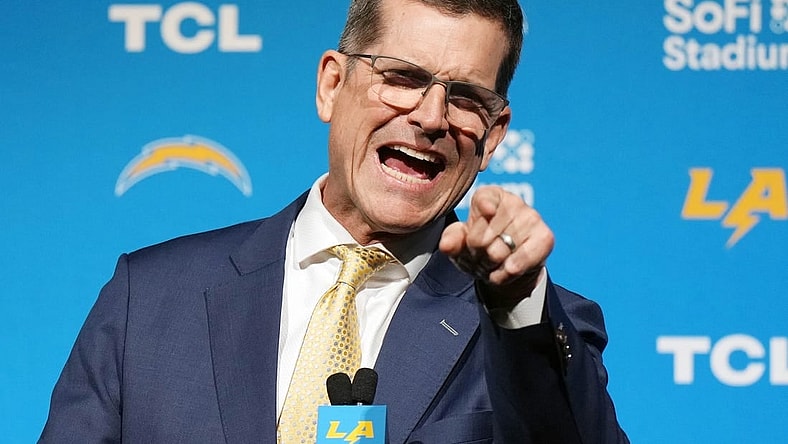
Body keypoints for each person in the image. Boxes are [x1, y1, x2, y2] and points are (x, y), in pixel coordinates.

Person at [40, 0, 629, 442]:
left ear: (493, 135)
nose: (430, 117)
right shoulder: (148, 298)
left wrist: (517, 311)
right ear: (331, 84)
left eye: (465, 98)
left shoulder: (537, 329)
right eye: (402, 78)